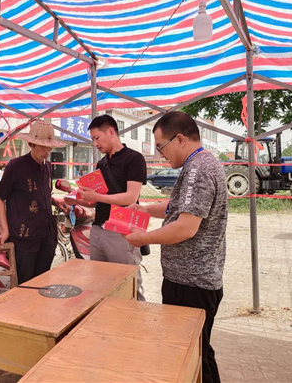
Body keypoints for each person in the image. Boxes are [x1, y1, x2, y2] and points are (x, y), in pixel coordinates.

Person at [124, 111, 228, 383]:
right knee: (199, 350)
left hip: (191, 284)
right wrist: (146, 209)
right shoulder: (198, 165)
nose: (161, 155)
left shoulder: (198, 170)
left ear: (180, 139)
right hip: (190, 280)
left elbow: (185, 227)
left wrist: (144, 238)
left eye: (161, 147)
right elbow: (176, 209)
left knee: (193, 356)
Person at [69, 114, 147, 300]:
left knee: (127, 284)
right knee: (100, 282)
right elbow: (97, 201)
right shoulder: (102, 163)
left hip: (122, 231)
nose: (95, 144)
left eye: (97, 138)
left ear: (111, 132)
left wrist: (96, 196)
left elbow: (131, 197)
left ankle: (134, 315)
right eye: (93, 140)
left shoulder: (134, 159)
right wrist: (77, 200)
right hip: (98, 229)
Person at [0, 120, 69, 284]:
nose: (46, 151)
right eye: (42, 147)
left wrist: (55, 202)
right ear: (31, 144)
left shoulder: (47, 167)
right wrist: (5, 229)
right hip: (24, 236)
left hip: (46, 233)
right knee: (25, 283)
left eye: (49, 147)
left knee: (43, 281)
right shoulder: (15, 166)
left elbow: (42, 193)